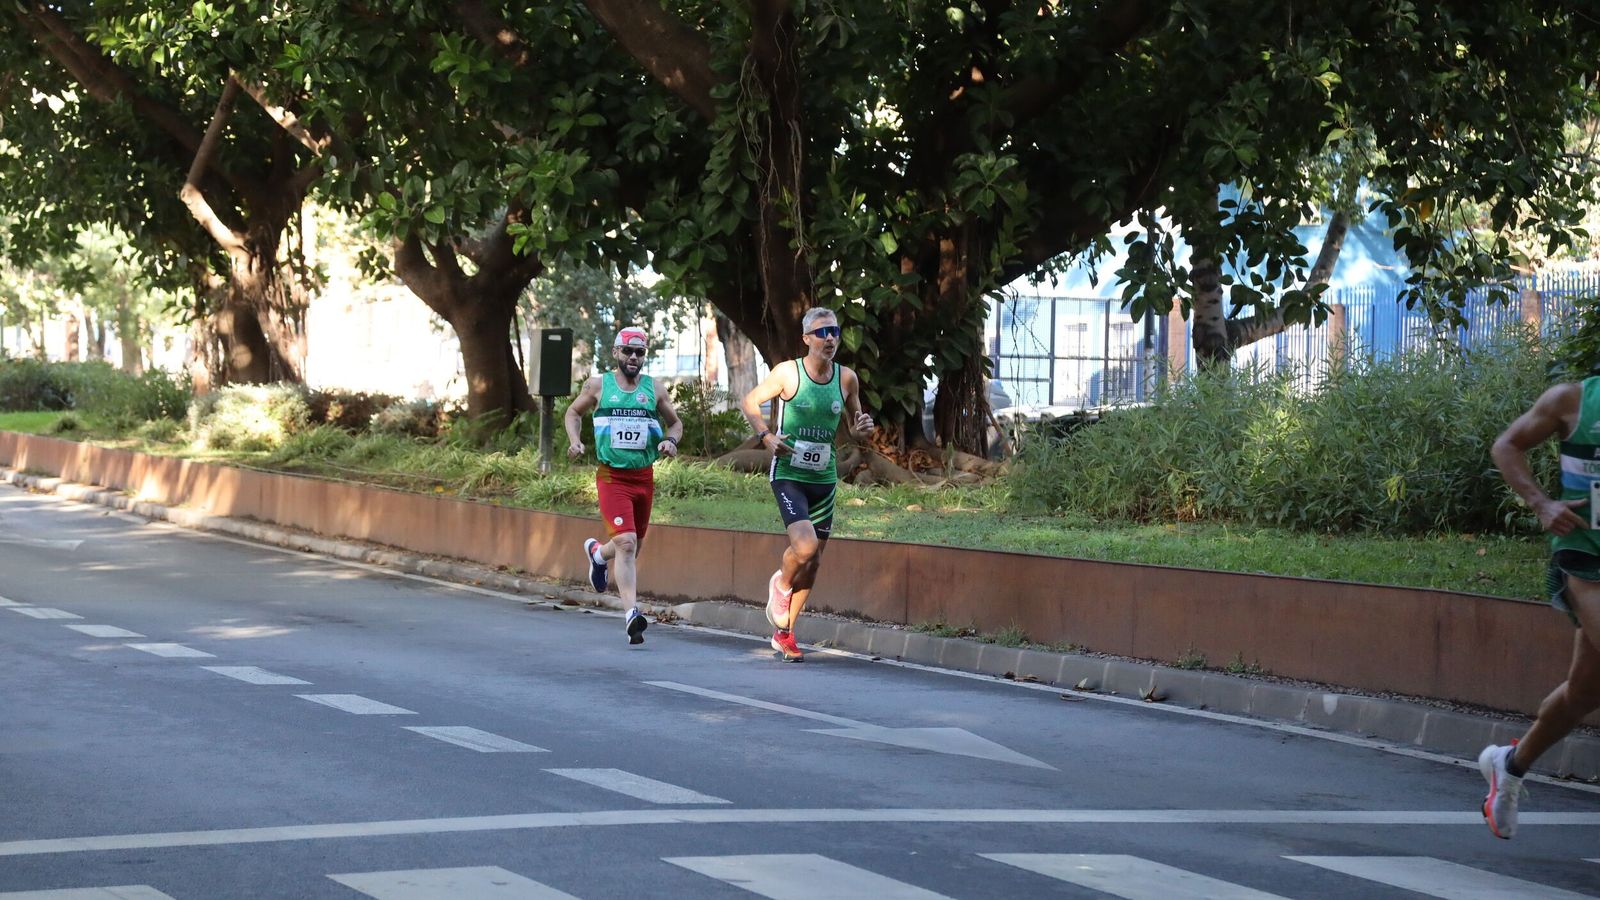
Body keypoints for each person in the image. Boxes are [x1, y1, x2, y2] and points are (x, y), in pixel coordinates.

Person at [1481, 377, 1600, 838]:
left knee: (1584, 692)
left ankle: (1509, 765)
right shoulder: (1573, 400)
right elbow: (1506, 446)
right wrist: (1542, 504)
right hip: (1586, 560)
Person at [740, 307, 875, 662]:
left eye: (834, 332)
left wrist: (862, 429)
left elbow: (854, 425)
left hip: (823, 478)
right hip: (789, 474)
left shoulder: (846, 378)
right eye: (821, 333)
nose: (829, 338)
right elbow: (750, 401)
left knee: (813, 561)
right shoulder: (788, 373)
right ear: (806, 339)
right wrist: (766, 436)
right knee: (804, 547)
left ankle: (785, 633)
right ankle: (781, 584)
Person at [564, 326, 683, 645]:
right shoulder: (598, 385)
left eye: (639, 352)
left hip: (643, 476)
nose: (633, 357)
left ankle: (598, 554)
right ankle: (632, 613)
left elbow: (675, 423)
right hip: (612, 477)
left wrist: (671, 441)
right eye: (628, 351)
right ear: (615, 352)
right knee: (627, 544)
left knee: (631, 546)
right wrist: (575, 441)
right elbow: (573, 412)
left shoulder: (654, 388)